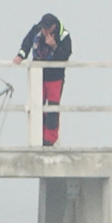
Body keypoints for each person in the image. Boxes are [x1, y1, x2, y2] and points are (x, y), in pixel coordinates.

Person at [14, 13, 71, 147]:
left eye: (47, 28)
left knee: (52, 108)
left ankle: (49, 139)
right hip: (38, 76)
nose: (44, 31)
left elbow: (65, 55)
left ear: (54, 27)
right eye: (43, 28)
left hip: (55, 77)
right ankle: (37, 136)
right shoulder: (36, 30)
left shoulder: (64, 36)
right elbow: (27, 43)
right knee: (37, 106)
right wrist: (20, 55)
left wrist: (54, 46)